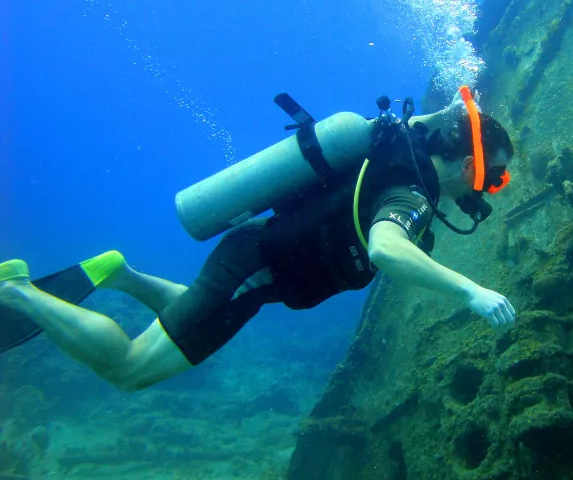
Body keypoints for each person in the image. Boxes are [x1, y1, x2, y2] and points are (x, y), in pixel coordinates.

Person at [0, 87, 516, 391]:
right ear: (469, 166)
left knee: (202, 310)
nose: (489, 190)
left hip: (254, 262)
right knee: (130, 368)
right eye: (494, 178)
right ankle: (18, 290)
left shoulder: (403, 148)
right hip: (253, 267)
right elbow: (385, 246)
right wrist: (471, 290)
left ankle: (121, 275)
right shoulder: (412, 192)